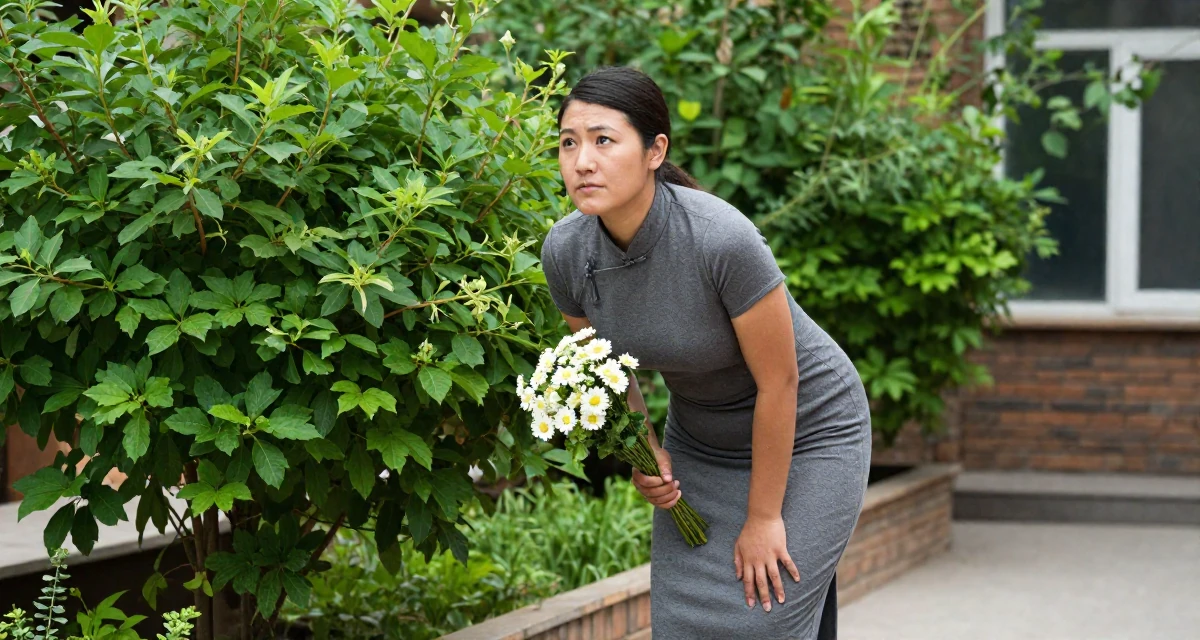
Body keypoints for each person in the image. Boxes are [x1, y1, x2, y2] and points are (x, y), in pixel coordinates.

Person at [539, 66, 871, 639]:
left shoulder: (720, 238)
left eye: (603, 140)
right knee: (684, 623)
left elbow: (781, 382)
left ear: (654, 151)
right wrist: (645, 451)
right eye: (569, 143)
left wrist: (764, 517)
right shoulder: (567, 252)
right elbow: (604, 372)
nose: (582, 161)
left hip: (813, 430)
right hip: (702, 442)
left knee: (761, 617)